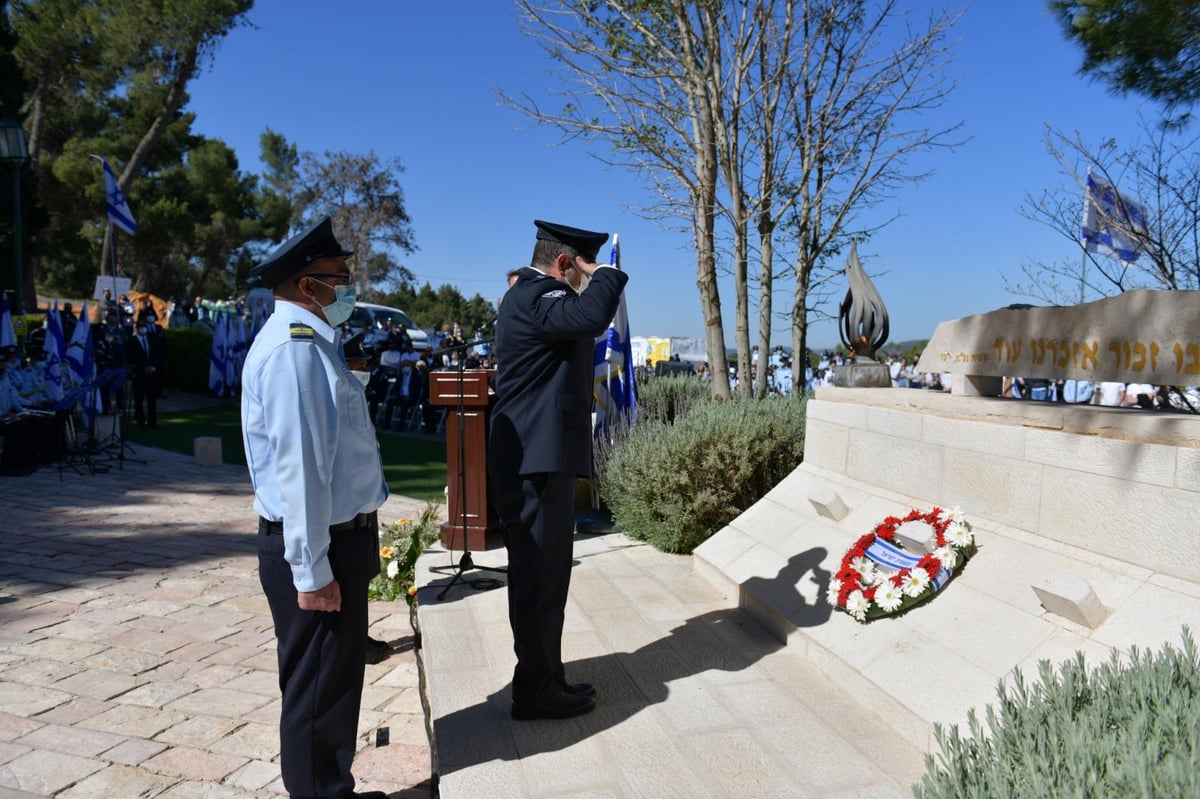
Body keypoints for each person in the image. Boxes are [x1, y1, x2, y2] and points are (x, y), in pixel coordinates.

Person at [240, 216, 390, 799]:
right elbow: (301, 469)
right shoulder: (294, 352)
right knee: (317, 692)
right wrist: (311, 569)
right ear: (308, 286)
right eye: (340, 278)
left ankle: (332, 788)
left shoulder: (315, 345)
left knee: (334, 686)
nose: (349, 289)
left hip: (337, 538)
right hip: (316, 543)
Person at [489, 219, 629, 722]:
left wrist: (589, 273)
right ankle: (535, 691)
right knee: (538, 582)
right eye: (580, 271)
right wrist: (606, 272)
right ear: (565, 263)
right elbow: (593, 316)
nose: (584, 283)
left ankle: (544, 677)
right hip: (534, 462)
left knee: (543, 581)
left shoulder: (533, 295)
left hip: (538, 458)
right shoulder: (535, 294)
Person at [127, 323, 164, 427]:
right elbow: (130, 360)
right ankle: (140, 420)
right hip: (139, 374)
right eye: (141, 327)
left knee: (152, 398)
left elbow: (157, 355)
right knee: (139, 398)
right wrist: (143, 368)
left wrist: (154, 367)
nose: (143, 329)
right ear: (137, 329)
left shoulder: (152, 340)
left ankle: (152, 421)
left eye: (144, 327)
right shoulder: (131, 342)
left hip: (152, 374)